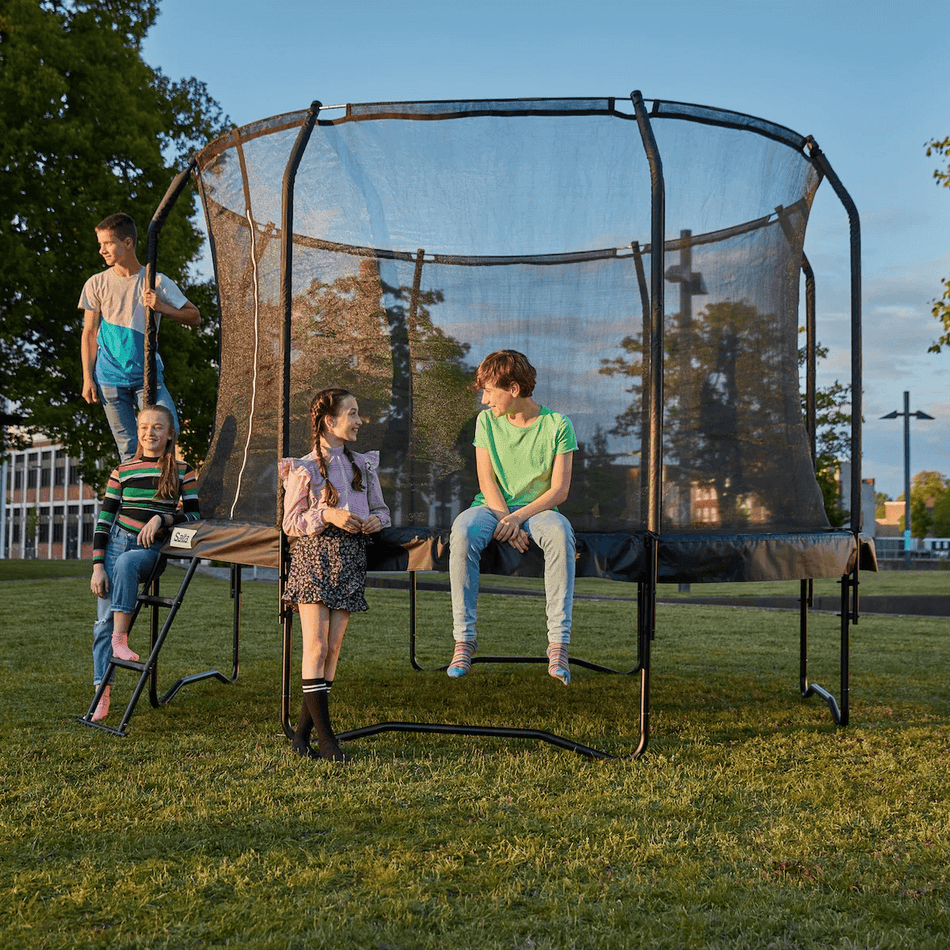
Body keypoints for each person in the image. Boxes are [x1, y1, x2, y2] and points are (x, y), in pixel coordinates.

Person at [448, 349, 578, 685]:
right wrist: (506, 519)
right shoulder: (486, 422)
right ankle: (464, 640)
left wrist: (518, 519)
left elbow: (559, 491)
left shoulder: (558, 424)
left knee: (561, 533)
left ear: (514, 390)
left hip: (538, 511)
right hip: (491, 508)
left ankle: (558, 645)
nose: (484, 400)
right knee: (462, 530)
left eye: (489, 391)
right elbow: (486, 479)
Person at [279, 388, 391, 763]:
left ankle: (300, 736)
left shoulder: (364, 465)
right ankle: (328, 741)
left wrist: (377, 520)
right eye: (353, 413)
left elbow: (382, 509)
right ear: (331, 421)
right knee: (316, 647)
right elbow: (290, 523)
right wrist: (328, 514)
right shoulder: (304, 468)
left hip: (351, 559)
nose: (360, 421)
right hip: (314, 558)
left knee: (333, 650)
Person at [89, 404, 201, 721]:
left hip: (152, 550)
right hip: (115, 545)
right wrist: (98, 566)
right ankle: (102, 694)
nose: (149, 433)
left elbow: (194, 516)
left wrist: (163, 518)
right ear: (137, 432)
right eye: (143, 427)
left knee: (127, 564)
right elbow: (103, 522)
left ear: (168, 434)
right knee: (102, 623)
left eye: (156, 427)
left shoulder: (182, 470)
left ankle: (121, 641)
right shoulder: (122, 470)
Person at [79, 212, 201, 462]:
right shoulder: (96, 283)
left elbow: (194, 316)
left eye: (108, 243)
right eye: (100, 244)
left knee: (168, 434)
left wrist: (161, 307)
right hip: (109, 379)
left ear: (127, 242)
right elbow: (90, 333)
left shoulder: (155, 280)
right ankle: (134, 500)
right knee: (128, 448)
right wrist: (87, 378)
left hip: (146, 376)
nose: (102, 250)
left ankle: (166, 494)